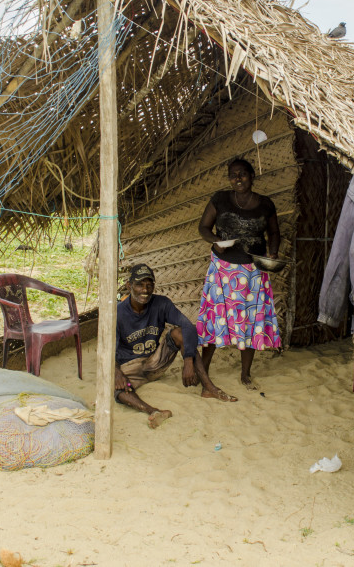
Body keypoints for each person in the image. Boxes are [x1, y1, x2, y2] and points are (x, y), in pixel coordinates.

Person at [115, 263, 236, 429]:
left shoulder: (161, 303)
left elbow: (188, 326)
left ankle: (209, 388)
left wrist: (188, 361)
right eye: (139, 285)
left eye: (149, 285)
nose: (145, 290)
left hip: (154, 361)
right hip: (129, 367)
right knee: (115, 387)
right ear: (129, 286)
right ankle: (153, 411)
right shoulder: (117, 313)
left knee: (179, 333)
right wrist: (116, 373)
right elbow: (107, 350)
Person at [196, 158, 281, 389]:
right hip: (222, 270)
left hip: (253, 272)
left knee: (251, 321)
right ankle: (203, 370)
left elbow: (274, 232)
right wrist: (217, 241)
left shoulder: (265, 204)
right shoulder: (220, 199)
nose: (238, 179)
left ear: (252, 176)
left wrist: (272, 253)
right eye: (233, 175)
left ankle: (245, 374)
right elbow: (203, 227)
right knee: (215, 318)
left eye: (243, 174)